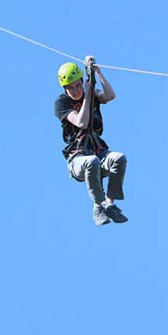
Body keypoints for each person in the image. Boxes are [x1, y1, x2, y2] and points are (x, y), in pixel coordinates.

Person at [56, 56, 128, 226]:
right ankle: (99, 205)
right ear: (65, 88)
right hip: (78, 159)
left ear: (82, 81)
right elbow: (82, 122)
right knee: (92, 162)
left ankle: (109, 204)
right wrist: (88, 92)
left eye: (79, 85)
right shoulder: (61, 103)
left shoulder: (91, 91)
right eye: (71, 88)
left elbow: (110, 96)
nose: (76, 90)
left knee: (119, 158)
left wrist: (97, 73)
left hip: (98, 151)